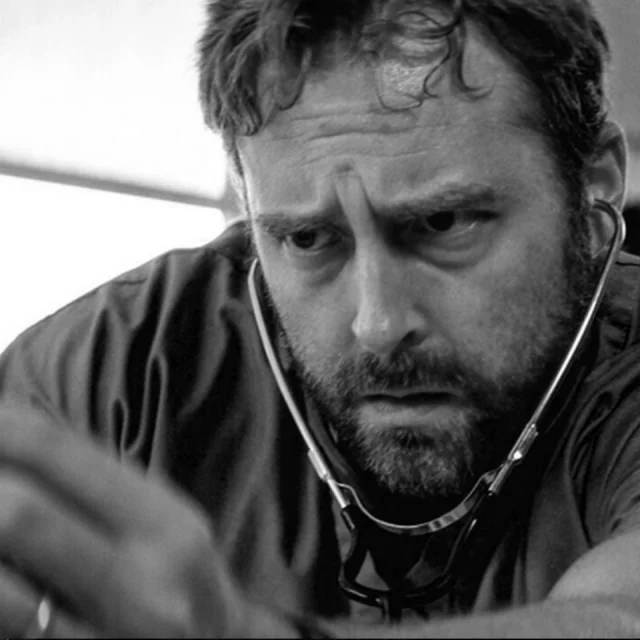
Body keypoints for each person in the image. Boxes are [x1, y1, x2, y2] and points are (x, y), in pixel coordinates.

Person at [0, 0, 639, 636]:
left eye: (443, 223)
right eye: (307, 239)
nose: (379, 325)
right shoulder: (112, 372)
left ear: (596, 183)